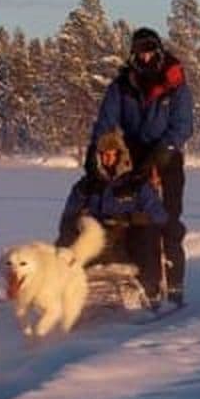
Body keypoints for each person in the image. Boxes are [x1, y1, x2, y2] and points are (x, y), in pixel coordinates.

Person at [86, 27, 193, 307]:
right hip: (131, 155)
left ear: (157, 51)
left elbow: (183, 125)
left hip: (166, 155)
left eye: (148, 51)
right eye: (139, 52)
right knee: (130, 218)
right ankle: (144, 282)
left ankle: (175, 287)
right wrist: (95, 154)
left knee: (167, 220)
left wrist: (162, 154)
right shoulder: (122, 85)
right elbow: (105, 123)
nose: (144, 57)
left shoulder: (175, 82)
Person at [58, 129, 168, 304]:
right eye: (103, 155)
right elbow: (68, 216)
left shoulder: (136, 184)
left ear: (120, 155)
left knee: (148, 233)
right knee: (66, 238)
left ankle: (150, 291)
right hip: (95, 238)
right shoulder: (86, 186)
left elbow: (159, 216)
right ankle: (59, 289)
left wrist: (130, 219)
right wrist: (77, 224)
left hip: (129, 237)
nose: (107, 159)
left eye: (111, 155)